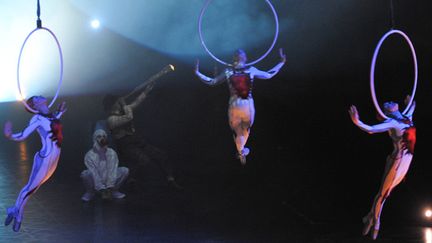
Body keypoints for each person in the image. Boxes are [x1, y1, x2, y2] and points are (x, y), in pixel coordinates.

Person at [195, 48, 286, 165]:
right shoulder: (248, 70)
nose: (239, 55)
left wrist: (198, 73)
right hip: (246, 106)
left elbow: (213, 81)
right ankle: (241, 151)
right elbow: (269, 74)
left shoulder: (229, 71)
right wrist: (281, 63)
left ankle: (241, 151)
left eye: (240, 54)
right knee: (243, 131)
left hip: (235, 106)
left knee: (240, 132)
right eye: (239, 54)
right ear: (244, 58)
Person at [349, 95, 416, 240]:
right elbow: (371, 129)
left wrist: (410, 100)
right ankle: (376, 221)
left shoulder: (406, 115)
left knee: (385, 192)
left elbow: (413, 104)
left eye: (390, 101)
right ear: (387, 112)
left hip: (405, 160)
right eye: (387, 104)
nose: (390, 101)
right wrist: (357, 121)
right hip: (397, 162)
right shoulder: (392, 122)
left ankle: (369, 217)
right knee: (383, 194)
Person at [3, 96, 66, 232]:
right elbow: (24, 135)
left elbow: (52, 123)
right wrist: (10, 135)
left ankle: (14, 210)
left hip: (54, 159)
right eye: (36, 97)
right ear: (35, 105)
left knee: (32, 189)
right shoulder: (37, 119)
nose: (40, 96)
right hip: (45, 158)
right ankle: (18, 215)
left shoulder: (50, 116)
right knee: (29, 189)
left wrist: (59, 112)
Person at [104, 80, 182, 189]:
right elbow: (129, 117)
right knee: (143, 160)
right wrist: (126, 106)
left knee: (161, 155)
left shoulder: (124, 111)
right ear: (113, 105)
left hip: (137, 141)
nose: (121, 102)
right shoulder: (111, 120)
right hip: (126, 146)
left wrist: (146, 91)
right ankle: (132, 180)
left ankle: (170, 179)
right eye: (118, 101)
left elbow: (137, 102)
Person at [81, 129, 129, 202]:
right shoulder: (89, 155)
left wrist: (110, 186)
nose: (102, 138)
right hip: (96, 180)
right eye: (99, 137)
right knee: (85, 174)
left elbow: (112, 170)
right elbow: (94, 173)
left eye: (104, 136)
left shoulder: (111, 153)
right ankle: (90, 192)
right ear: (95, 138)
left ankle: (114, 191)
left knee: (125, 170)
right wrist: (101, 188)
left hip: (109, 179)